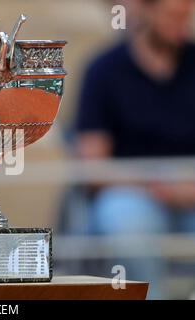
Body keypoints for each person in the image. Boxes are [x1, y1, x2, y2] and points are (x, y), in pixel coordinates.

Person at [74, 0, 195, 299]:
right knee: (122, 216)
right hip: (132, 191)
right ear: (147, 10)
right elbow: (93, 166)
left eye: (186, 17)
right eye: (173, 17)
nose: (181, 27)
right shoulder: (103, 69)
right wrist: (158, 185)